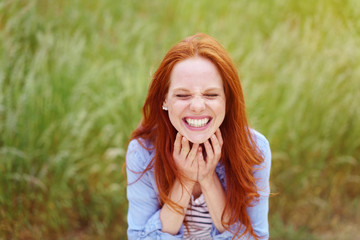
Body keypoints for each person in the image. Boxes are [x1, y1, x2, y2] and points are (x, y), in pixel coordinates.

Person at [125, 33, 271, 240]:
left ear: (227, 100)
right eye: (182, 95)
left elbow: (256, 237)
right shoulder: (142, 152)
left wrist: (208, 178)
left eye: (211, 95)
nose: (197, 106)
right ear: (164, 99)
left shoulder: (255, 149)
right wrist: (184, 179)